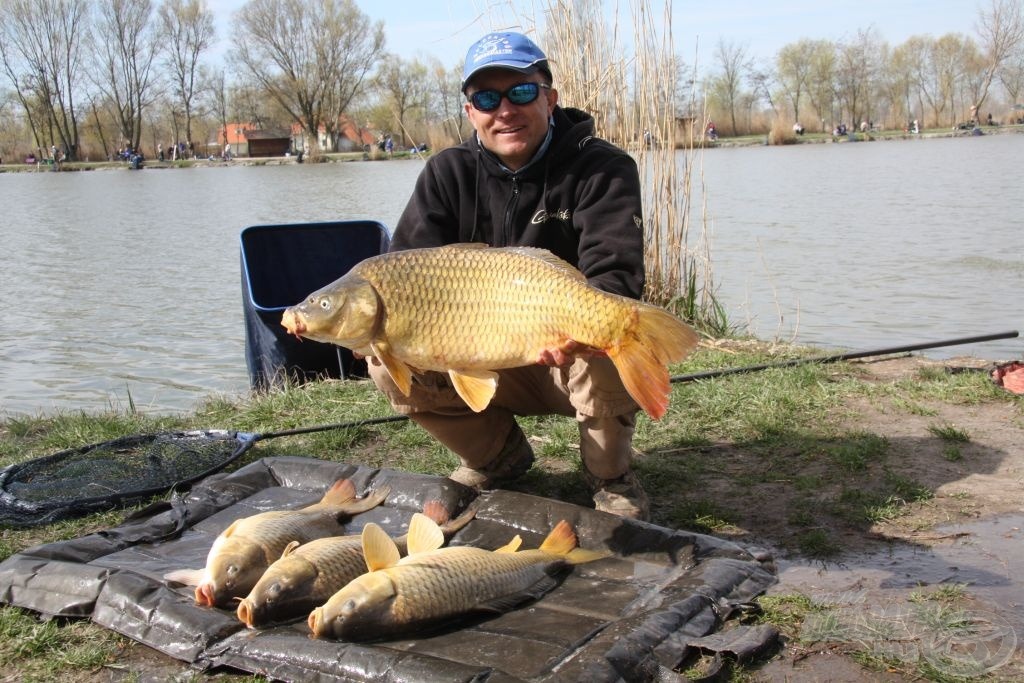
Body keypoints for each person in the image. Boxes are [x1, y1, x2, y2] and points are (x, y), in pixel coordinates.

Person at [365, 31, 651, 519]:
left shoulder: (602, 168)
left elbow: (615, 274)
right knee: (385, 363)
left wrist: (582, 333)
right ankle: (499, 458)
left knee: (611, 330)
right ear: (470, 110)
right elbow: (403, 268)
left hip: (563, 357)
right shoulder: (446, 173)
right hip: (480, 353)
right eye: (486, 98)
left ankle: (610, 477)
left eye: (520, 92)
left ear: (550, 98)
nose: (505, 110)